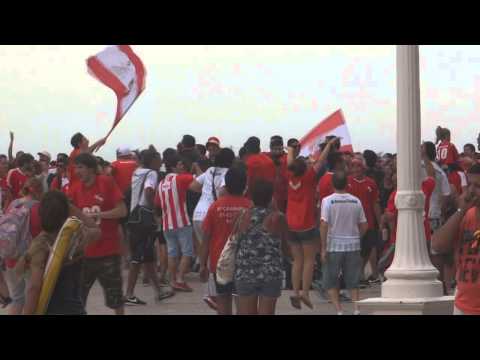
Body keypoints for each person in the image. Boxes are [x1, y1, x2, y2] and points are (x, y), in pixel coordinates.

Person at [19, 190, 101, 315]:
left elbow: (34, 288)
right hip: (75, 309)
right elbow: (96, 229)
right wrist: (68, 207)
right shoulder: (77, 236)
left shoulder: (40, 244)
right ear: (66, 212)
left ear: (41, 213)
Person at [67, 153, 127, 315]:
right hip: (83, 254)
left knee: (115, 299)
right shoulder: (74, 189)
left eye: (81, 167)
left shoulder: (106, 182)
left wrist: (99, 215)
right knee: (78, 298)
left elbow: (122, 211)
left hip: (108, 252)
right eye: (75, 167)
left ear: (92, 169)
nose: (77, 171)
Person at [286, 137, 336, 309]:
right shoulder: (309, 177)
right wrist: (328, 145)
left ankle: (294, 292)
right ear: (305, 168)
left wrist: (291, 149)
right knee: (309, 260)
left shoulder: (289, 175)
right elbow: (321, 161)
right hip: (306, 224)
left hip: (290, 225)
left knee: (296, 260)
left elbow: (290, 161)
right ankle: (305, 293)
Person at [124, 148, 174, 305]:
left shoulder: (137, 171)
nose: (161, 162)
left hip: (134, 217)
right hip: (144, 220)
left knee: (148, 257)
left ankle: (158, 291)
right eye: (159, 159)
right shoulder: (152, 174)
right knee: (138, 257)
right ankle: (129, 294)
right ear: (152, 161)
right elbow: (148, 191)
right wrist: (154, 210)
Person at [199, 167, 252, 315]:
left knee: (223, 301)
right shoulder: (250, 206)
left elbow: (205, 239)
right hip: (244, 263)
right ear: (245, 185)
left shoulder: (216, 206)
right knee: (242, 300)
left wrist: (202, 264)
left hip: (220, 263)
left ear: (226, 186)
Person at [234, 180, 290, 315]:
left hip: (245, 271)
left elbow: (236, 240)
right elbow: (286, 247)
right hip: (270, 272)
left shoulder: (242, 215)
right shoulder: (278, 217)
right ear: (271, 197)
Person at [189, 148, 236, 307]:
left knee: (208, 251)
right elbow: (223, 191)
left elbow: (193, 185)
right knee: (215, 253)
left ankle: (211, 293)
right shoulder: (228, 173)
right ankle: (212, 293)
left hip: (197, 213)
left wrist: (206, 193)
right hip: (211, 214)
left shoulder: (209, 170)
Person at [432, 163, 480, 315]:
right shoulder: (466, 215)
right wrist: (461, 211)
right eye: (470, 184)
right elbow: (438, 245)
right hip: (463, 304)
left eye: (478, 186)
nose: (471, 190)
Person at [320, 171, 368, 315]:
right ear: (347, 184)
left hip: (333, 245)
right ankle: (356, 309)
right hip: (353, 245)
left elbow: (323, 224)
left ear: (332, 184)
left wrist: (323, 247)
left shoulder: (327, 201)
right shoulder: (356, 201)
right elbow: (365, 225)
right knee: (353, 281)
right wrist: (356, 237)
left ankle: (339, 310)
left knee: (331, 280)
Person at [155, 154, 195, 292]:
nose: (181, 166)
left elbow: (157, 204)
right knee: (187, 252)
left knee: (172, 253)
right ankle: (180, 279)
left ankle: (172, 280)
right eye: (179, 164)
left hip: (167, 224)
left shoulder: (160, 184)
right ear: (173, 166)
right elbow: (199, 180)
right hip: (182, 221)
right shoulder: (180, 178)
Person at [3, 177, 43, 315]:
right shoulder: (38, 207)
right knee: (31, 299)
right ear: (39, 189)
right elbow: (40, 235)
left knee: (17, 299)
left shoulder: (14, 204)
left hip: (11, 257)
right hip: (29, 260)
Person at [347, 158, 382, 284]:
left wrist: (380, 221)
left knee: (367, 249)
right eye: (353, 166)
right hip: (352, 223)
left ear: (363, 168)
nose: (356, 169)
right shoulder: (347, 182)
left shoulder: (371, 183)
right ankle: (355, 275)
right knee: (354, 249)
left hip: (368, 222)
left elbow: (375, 203)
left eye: (358, 166)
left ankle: (360, 272)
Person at [423, 141, 452, 295]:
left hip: (426, 215)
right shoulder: (440, 170)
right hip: (435, 214)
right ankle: (441, 286)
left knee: (430, 251)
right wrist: (440, 207)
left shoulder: (424, 168)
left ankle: (438, 286)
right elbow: (447, 193)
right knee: (436, 251)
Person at [268, 136, 289, 213]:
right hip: (271, 198)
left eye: (279, 149)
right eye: (274, 149)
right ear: (270, 148)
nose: (277, 151)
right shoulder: (266, 157)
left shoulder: (288, 158)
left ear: (282, 147)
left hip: (286, 198)